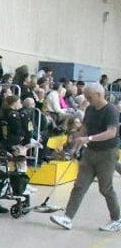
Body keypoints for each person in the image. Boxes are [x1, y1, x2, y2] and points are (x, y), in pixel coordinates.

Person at [50, 83, 121, 231]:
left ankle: (116, 219)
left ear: (99, 95)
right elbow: (85, 129)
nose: (87, 100)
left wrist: (88, 139)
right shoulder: (89, 109)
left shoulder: (111, 110)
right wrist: (75, 147)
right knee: (79, 186)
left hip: (107, 153)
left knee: (105, 188)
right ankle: (68, 218)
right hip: (90, 153)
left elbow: (111, 132)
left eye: (90, 97)